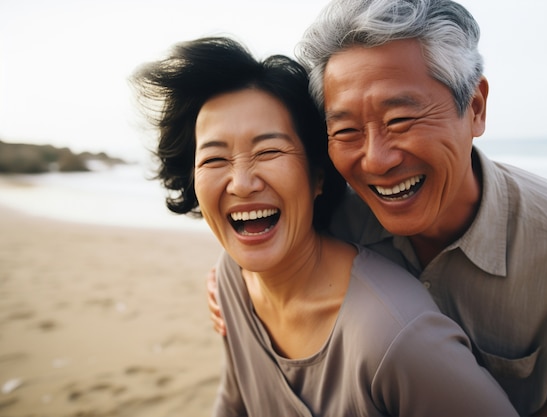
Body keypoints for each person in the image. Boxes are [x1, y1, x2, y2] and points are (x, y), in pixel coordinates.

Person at [207, 1, 547, 416]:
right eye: (347, 130)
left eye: (401, 121)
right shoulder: (327, 220)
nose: (377, 160)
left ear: (476, 107)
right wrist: (241, 286)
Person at [131, 36, 518, 416]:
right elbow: (236, 401)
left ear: (318, 176)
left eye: (268, 151)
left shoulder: (396, 337)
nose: (243, 183)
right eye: (215, 159)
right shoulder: (234, 279)